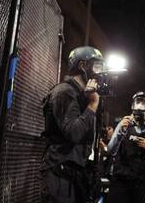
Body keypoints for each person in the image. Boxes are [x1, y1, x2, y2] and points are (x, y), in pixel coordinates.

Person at [40, 46, 104, 203]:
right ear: (82, 66)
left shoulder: (83, 96)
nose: (100, 71)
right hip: (60, 174)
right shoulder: (64, 92)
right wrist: (93, 104)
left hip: (76, 173)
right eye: (97, 65)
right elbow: (74, 132)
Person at [107, 91, 145, 203]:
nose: (140, 105)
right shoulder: (124, 125)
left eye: (144, 102)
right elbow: (111, 150)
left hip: (141, 184)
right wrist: (120, 132)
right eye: (138, 101)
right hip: (120, 182)